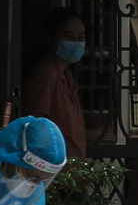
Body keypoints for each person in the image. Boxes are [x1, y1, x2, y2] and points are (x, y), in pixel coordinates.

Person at [22, 8, 89, 159]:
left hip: (70, 168)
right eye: (69, 37)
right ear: (51, 38)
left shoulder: (66, 76)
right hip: (53, 167)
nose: (76, 42)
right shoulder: (46, 73)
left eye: (81, 37)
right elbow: (35, 123)